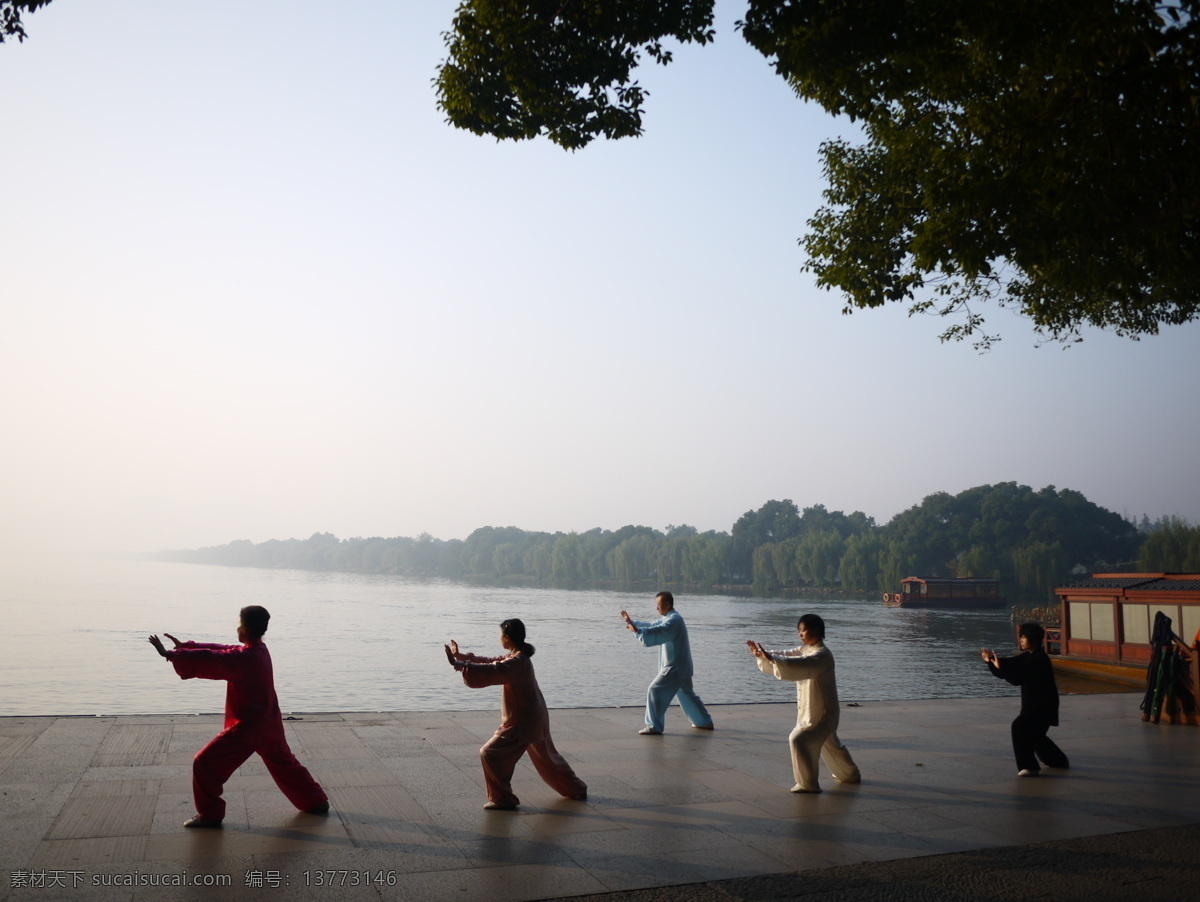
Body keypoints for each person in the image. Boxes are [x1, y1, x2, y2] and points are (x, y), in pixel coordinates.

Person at [147, 606, 329, 828]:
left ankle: (210, 814)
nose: (236, 627)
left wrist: (172, 654)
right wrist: (186, 647)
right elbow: (222, 650)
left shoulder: (244, 658)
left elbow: (214, 659)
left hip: (248, 728)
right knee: (285, 764)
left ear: (244, 627)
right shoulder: (259, 650)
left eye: (238, 623)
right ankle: (315, 801)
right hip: (269, 724)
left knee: (204, 763)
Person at [445, 619, 587, 810]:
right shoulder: (517, 657)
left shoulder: (517, 662)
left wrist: (459, 663)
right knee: (549, 759)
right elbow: (491, 662)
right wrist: (462, 659)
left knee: (490, 754)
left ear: (507, 637)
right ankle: (576, 788)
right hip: (534, 717)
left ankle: (503, 799)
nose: (499, 638)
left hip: (523, 721)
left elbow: (493, 669)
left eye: (500, 635)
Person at [747, 613, 861, 793]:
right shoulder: (805, 650)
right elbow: (788, 656)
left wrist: (772, 659)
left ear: (816, 630)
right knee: (829, 744)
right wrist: (763, 655)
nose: (800, 634)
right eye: (799, 631)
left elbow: (801, 664)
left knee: (798, 740)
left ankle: (808, 784)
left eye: (803, 630)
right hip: (816, 711)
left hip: (822, 713)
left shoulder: (822, 655)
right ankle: (850, 774)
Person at [619, 591, 714, 735]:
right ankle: (704, 721)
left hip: (675, 667)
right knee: (686, 694)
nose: (657, 608)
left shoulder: (674, 620)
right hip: (681, 666)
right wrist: (634, 624)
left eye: (659, 605)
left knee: (654, 690)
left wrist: (639, 631)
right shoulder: (669, 618)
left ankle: (654, 726)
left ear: (668, 604)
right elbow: (652, 625)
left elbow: (660, 631)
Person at [982, 622, 1070, 777]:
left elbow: (1018, 676)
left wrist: (1000, 667)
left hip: (1043, 704)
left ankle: (1029, 767)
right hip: (1034, 703)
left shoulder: (1039, 659)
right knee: (1035, 735)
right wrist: (990, 661)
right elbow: (1010, 664)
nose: (1021, 640)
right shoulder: (1030, 656)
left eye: (1024, 637)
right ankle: (1058, 760)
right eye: (1021, 637)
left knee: (1020, 727)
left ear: (1034, 640)